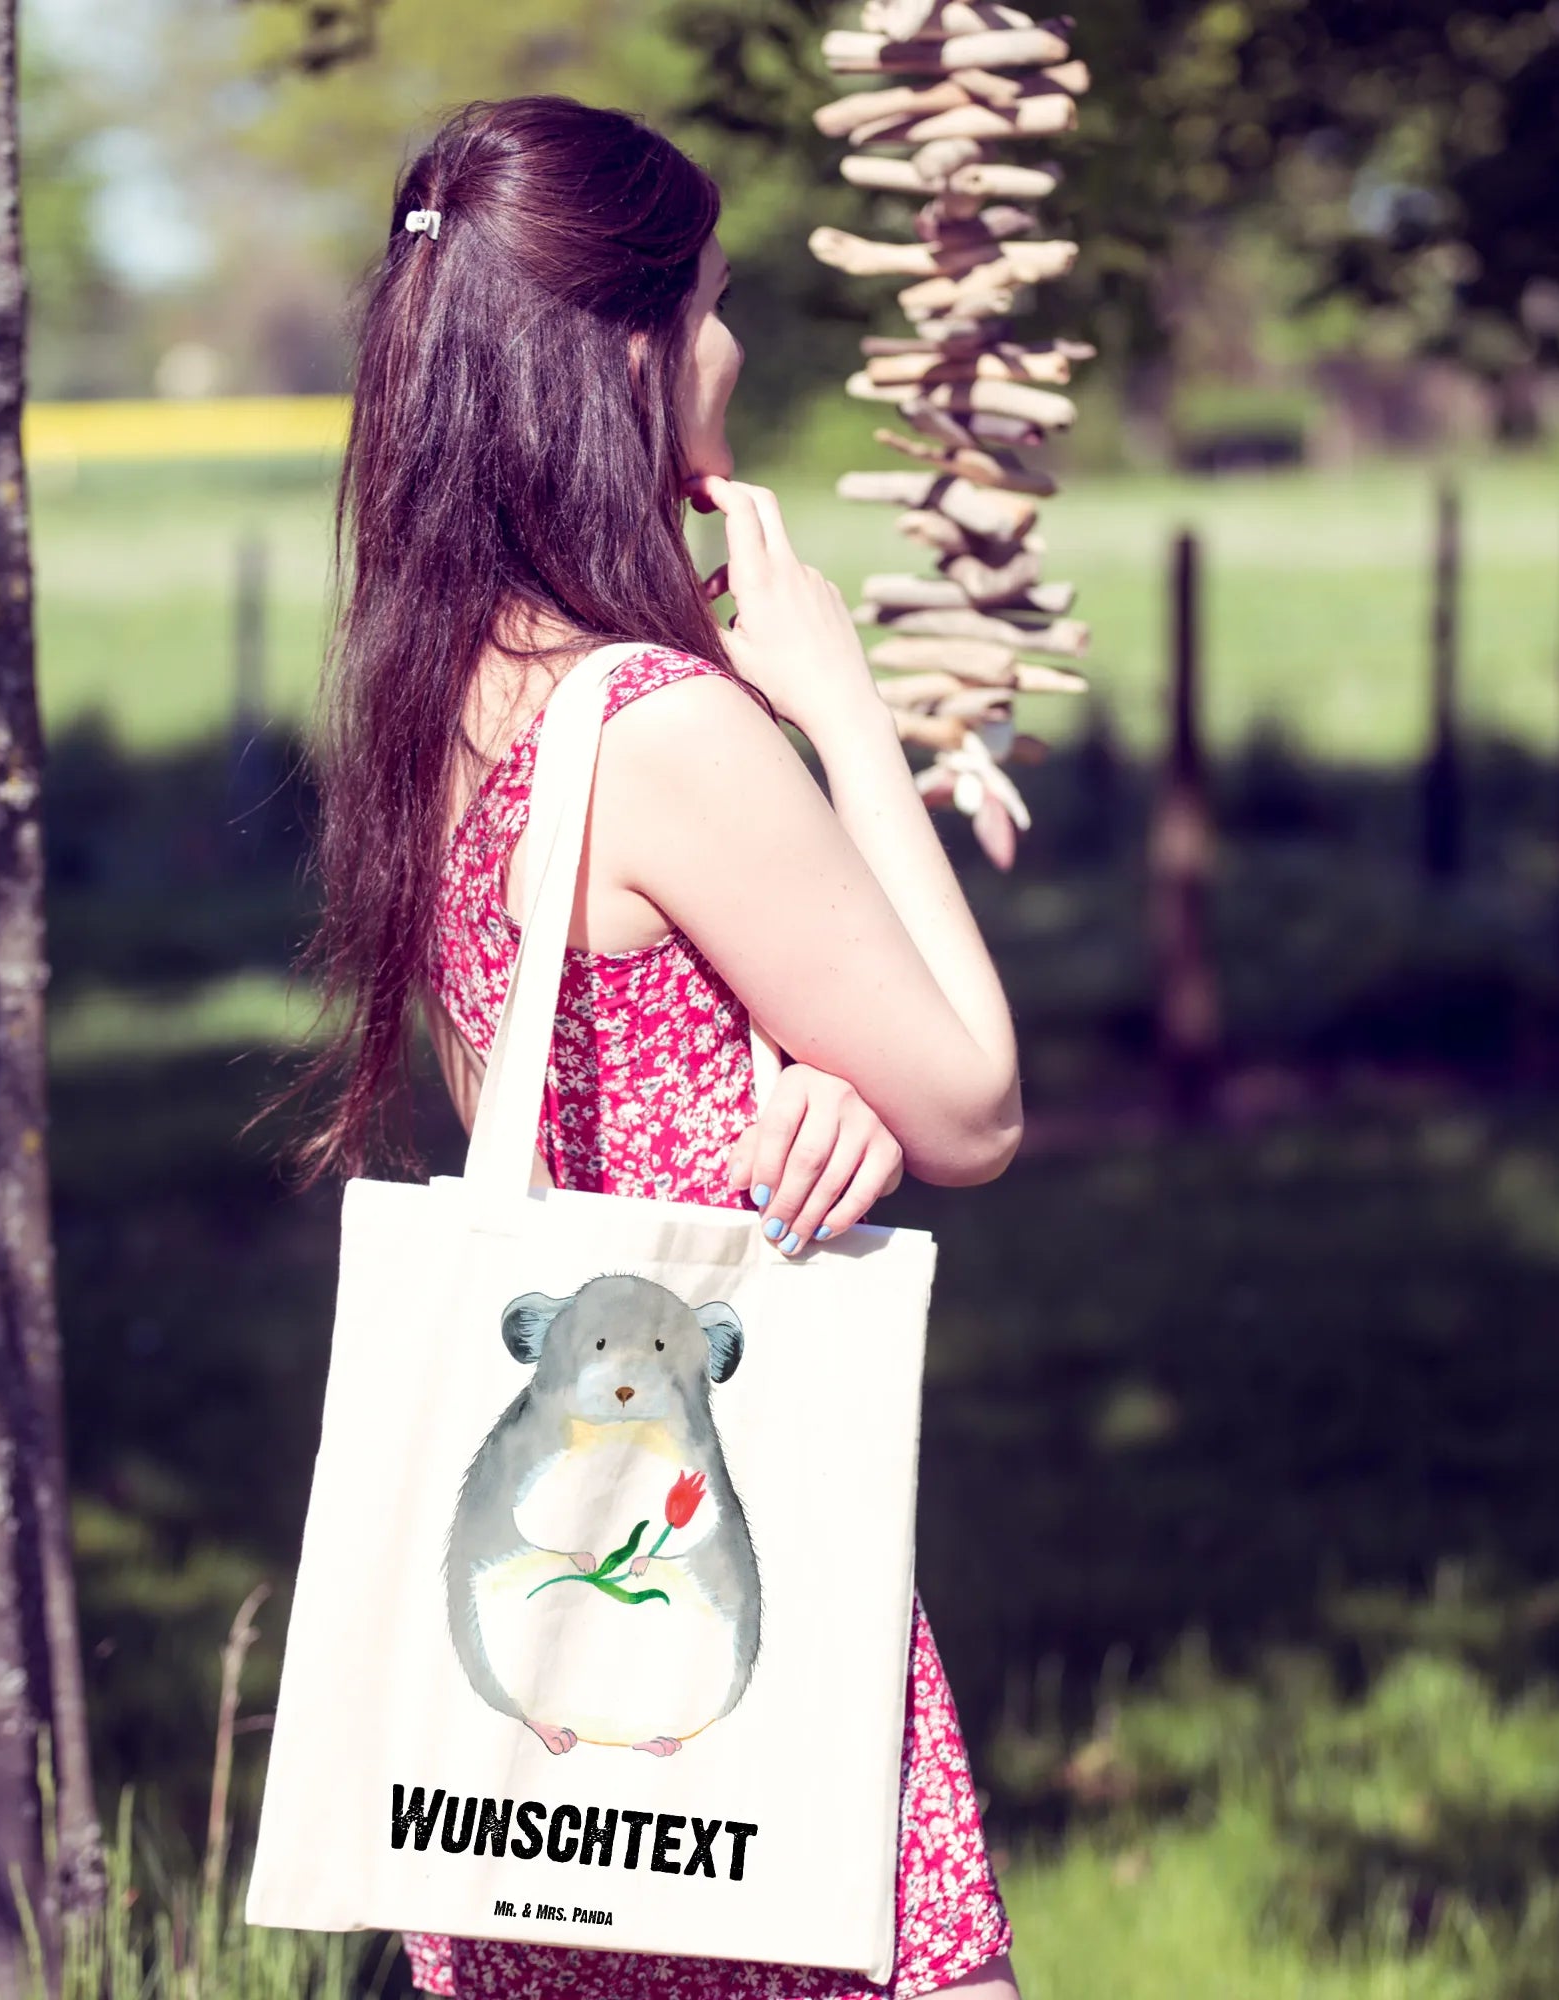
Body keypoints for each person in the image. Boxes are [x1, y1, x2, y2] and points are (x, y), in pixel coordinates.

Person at [281, 94, 1026, 2000]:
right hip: (716, 1604)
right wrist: (844, 716)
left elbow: (551, 1089)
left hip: (542, 1723)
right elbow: (974, 1101)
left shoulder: (444, 692)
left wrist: (801, 1072)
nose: (732, 348)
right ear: (627, 349)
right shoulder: (667, 729)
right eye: (710, 303)